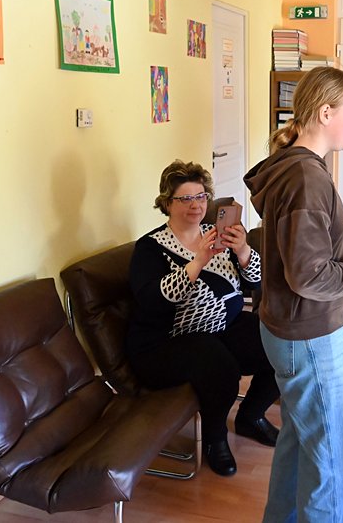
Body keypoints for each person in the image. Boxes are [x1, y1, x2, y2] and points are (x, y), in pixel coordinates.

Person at [244, 67, 343, 522]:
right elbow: (309, 275)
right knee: (339, 465)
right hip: (308, 335)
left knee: (302, 443)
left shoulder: (293, 167)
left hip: (288, 328)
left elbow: (301, 245)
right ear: (326, 113)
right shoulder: (306, 176)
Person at [128, 160, 280, 477]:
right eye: (185, 198)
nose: (196, 205)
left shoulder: (217, 234)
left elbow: (255, 281)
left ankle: (251, 416)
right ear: (167, 203)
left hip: (220, 328)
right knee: (221, 369)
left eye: (200, 196)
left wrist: (242, 251)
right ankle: (215, 438)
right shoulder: (150, 248)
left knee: (282, 342)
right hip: (165, 343)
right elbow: (154, 301)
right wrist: (197, 261)